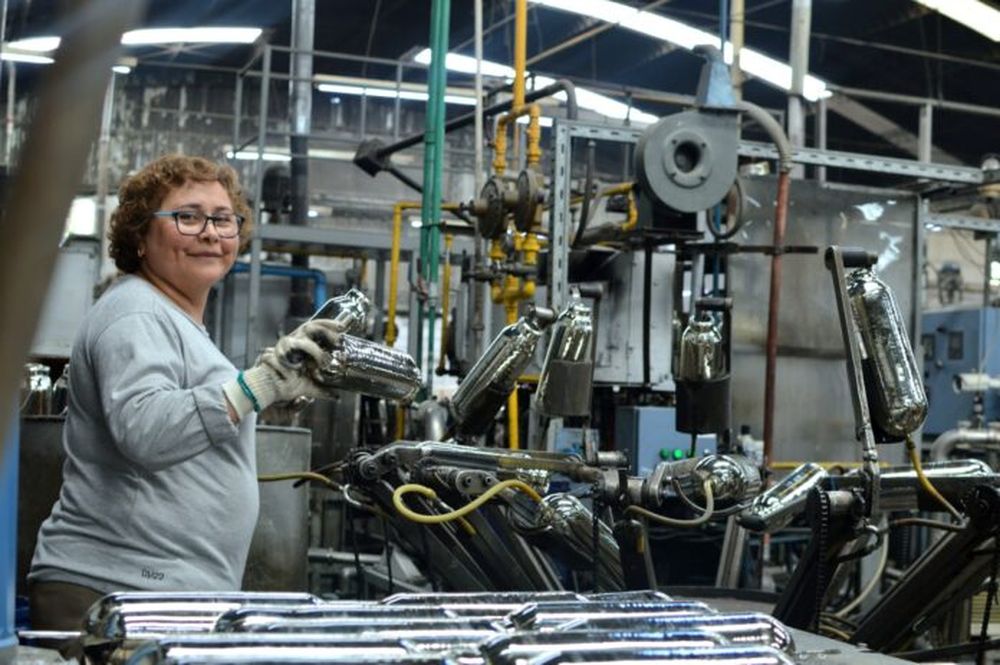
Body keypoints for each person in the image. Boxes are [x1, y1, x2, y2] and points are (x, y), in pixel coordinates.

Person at [28, 154, 340, 631]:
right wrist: (255, 386)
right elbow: (146, 430)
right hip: (120, 593)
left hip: (156, 591)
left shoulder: (170, 318)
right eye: (188, 217)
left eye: (223, 219)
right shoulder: (134, 311)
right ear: (139, 236)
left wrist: (273, 388)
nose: (211, 233)